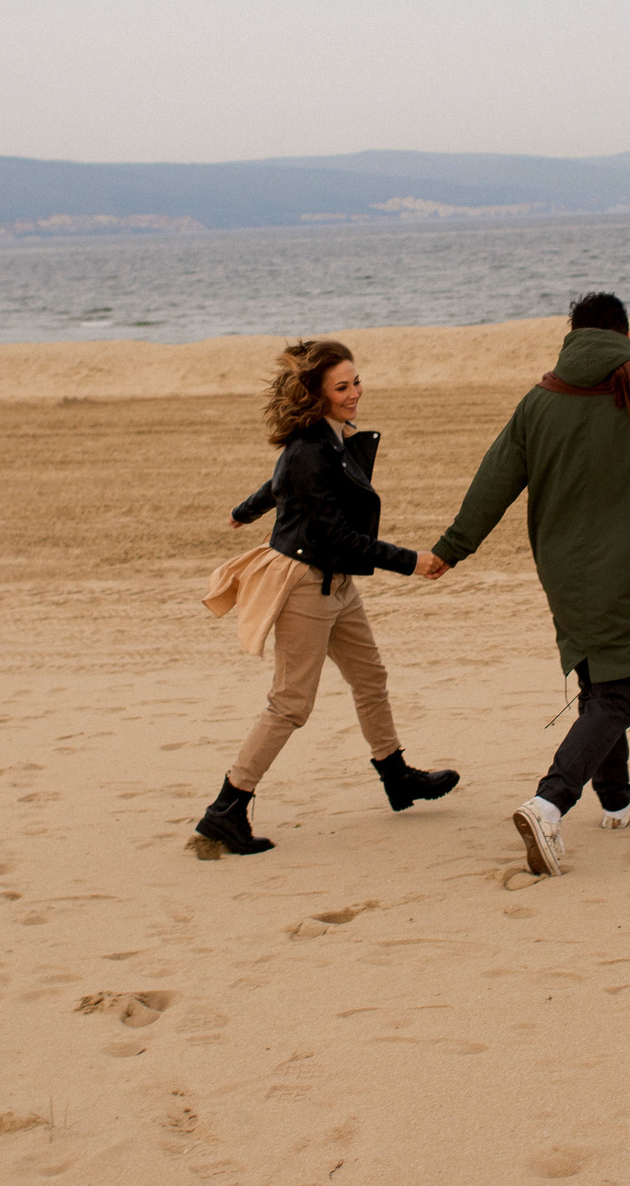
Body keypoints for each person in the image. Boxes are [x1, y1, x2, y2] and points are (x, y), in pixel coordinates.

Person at [426, 292, 630, 876]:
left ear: (573, 335)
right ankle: (549, 803)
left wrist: (450, 549)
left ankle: (616, 799)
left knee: (597, 678)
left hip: (562, 569)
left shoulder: (540, 400)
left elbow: (493, 482)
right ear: (623, 335)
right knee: (618, 694)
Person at [192, 339, 457, 857]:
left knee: (370, 678)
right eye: (343, 387)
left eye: (356, 381)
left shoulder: (326, 438)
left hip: (339, 586)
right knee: (290, 704)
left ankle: (395, 775)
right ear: (317, 394)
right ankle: (226, 808)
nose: (356, 392)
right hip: (306, 588)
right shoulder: (310, 450)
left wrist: (244, 510)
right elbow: (335, 534)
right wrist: (411, 560)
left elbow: (278, 485)